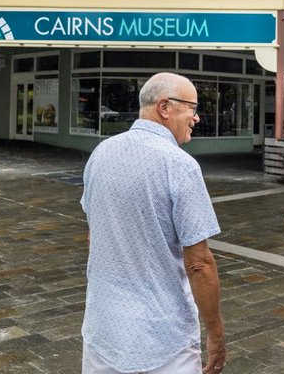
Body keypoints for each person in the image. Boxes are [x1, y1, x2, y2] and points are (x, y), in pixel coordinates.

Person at [80, 72, 226, 374]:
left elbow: (95, 234)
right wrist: (216, 334)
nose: (197, 118)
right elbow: (199, 263)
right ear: (164, 107)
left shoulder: (100, 154)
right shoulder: (180, 165)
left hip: (102, 330)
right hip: (163, 338)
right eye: (192, 108)